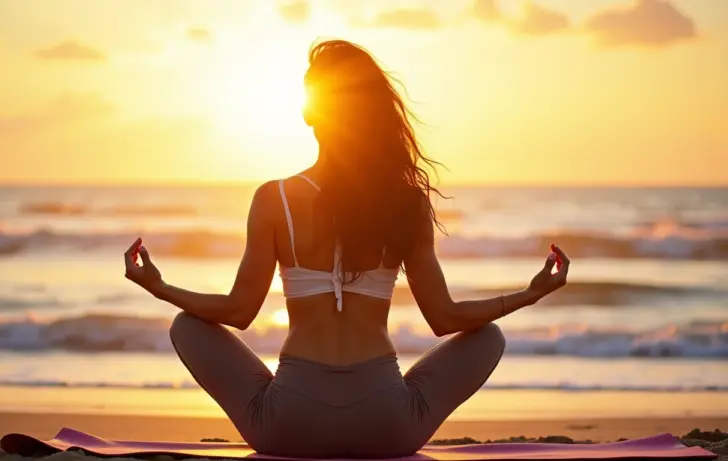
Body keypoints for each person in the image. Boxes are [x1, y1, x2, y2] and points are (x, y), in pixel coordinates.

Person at [123, 39, 570, 458]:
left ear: (310, 113)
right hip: (388, 427)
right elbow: (444, 319)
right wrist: (528, 294)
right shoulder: (405, 202)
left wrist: (159, 286)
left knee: (187, 325)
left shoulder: (273, 199)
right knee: (489, 337)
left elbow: (239, 311)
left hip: (287, 426)